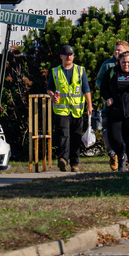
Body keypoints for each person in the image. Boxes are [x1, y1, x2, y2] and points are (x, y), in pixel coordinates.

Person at [47, 45, 93, 173]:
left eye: (71, 55)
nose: (69, 57)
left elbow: (86, 89)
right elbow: (49, 88)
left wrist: (90, 105)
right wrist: (52, 96)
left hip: (77, 110)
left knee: (76, 137)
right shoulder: (55, 71)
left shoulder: (80, 70)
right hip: (62, 110)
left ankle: (75, 164)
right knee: (63, 136)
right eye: (66, 55)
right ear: (61, 56)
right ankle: (63, 160)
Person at [96, 40, 129, 171]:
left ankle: (127, 157)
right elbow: (99, 80)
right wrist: (107, 92)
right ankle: (112, 154)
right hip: (110, 105)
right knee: (107, 131)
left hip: (126, 105)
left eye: (119, 50)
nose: (116, 52)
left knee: (127, 132)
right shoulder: (107, 64)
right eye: (115, 50)